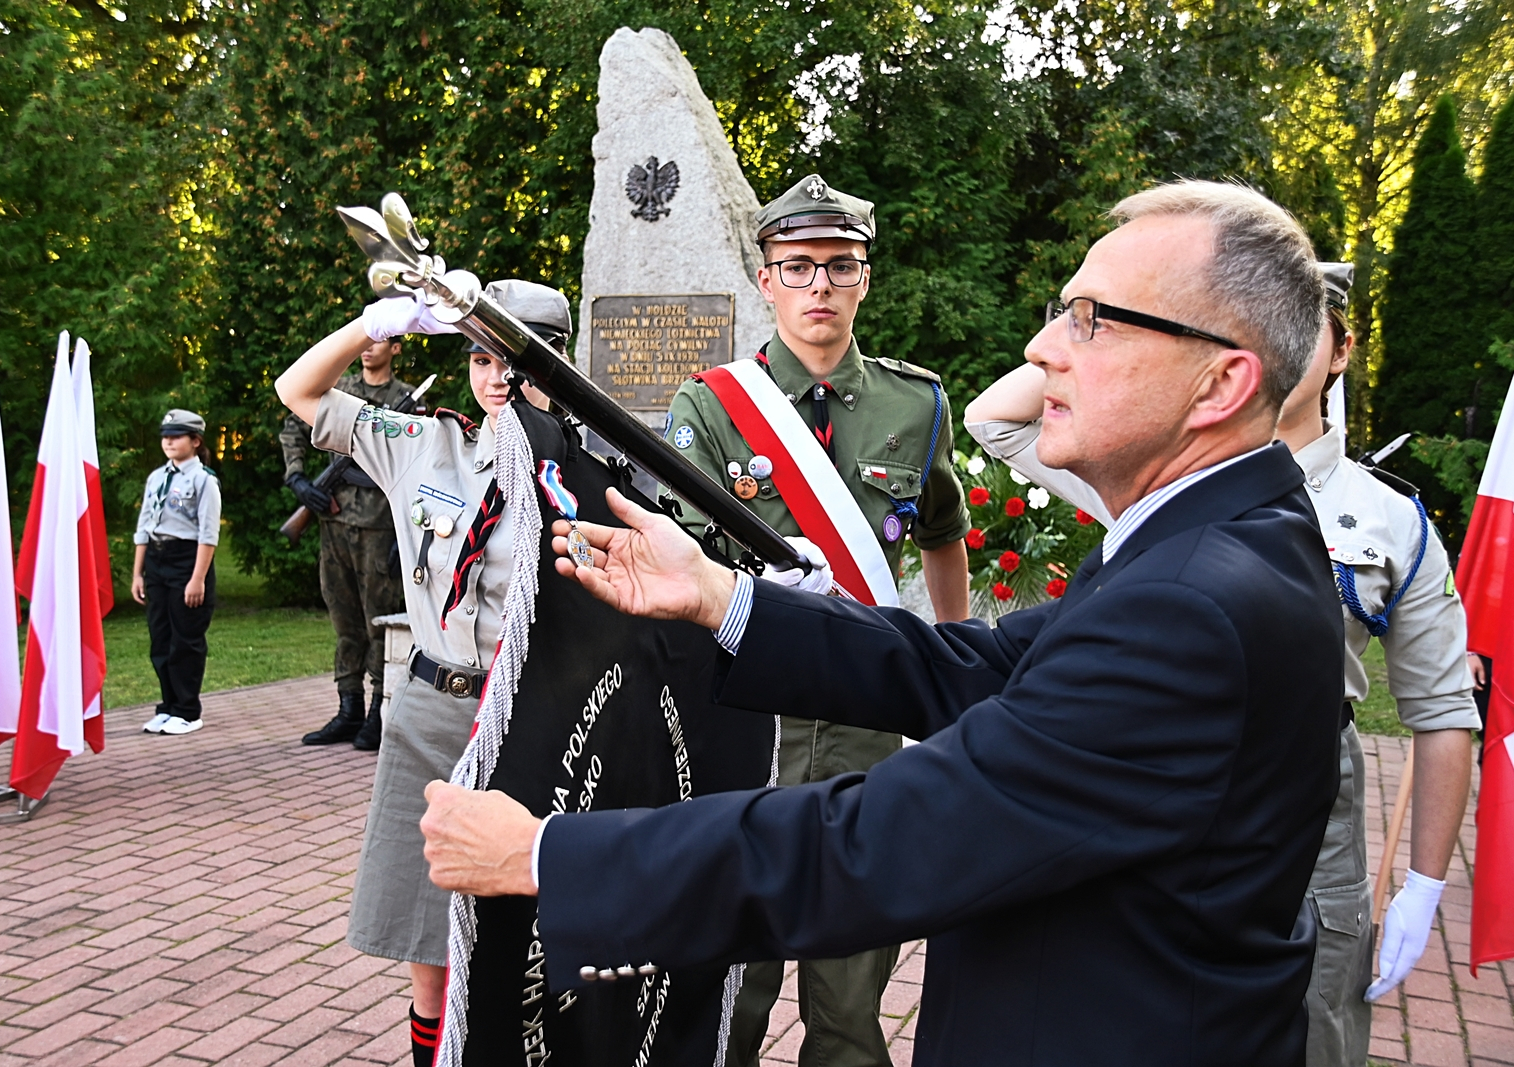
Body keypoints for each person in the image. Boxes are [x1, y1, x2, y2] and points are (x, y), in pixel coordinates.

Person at [419, 180, 1347, 1065]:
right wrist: (722, 596)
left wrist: (547, 852)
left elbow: (884, 841)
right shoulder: (1205, 540)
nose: (1044, 348)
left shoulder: (1192, 602)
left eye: (1091, 319)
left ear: (1219, 384)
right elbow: (972, 668)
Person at [961, 263, 1481, 1066]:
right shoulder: (1163, 472)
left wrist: (1426, 881)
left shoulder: (1389, 517)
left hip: (1306, 773)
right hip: (1145, 752)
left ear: (1339, 351)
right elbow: (994, 419)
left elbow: (1441, 709)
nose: (1277, 338)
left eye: (1301, 324)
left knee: (1315, 1016)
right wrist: (1102, 328)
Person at [661, 172, 971, 1067]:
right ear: (766, 280)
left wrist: (948, 669)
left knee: (849, 994)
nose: (820, 287)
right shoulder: (712, 405)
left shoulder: (915, 406)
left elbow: (944, 532)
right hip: (751, 715)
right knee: (736, 982)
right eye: (798, 268)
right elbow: (685, 557)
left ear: (865, 277)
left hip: (869, 726)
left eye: (840, 266)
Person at [275, 279, 567, 1067]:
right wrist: (374, 323)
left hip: (532, 720)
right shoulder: (421, 444)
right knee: (427, 942)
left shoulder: (584, 476)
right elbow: (297, 390)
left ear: (557, 367)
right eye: (479, 355)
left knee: (532, 944)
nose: (496, 376)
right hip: (432, 713)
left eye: (517, 360)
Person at [283, 333, 414, 750]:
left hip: (379, 527)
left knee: (378, 621)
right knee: (344, 622)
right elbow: (292, 427)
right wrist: (298, 479)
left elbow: (415, 466)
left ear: (395, 349)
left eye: (381, 342)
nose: (368, 348)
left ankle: (378, 711)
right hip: (334, 523)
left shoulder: (408, 399)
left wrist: (405, 534)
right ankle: (348, 708)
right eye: (366, 340)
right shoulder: (336, 393)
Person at [133, 409, 221, 736]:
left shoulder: (204, 480)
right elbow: (144, 525)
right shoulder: (156, 477)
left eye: (177, 435)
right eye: (165, 435)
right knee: (161, 639)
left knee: (185, 639)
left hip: (187, 560)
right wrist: (138, 573)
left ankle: (187, 710)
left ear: (195, 441)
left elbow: (208, 534)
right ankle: (167, 707)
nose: (168, 441)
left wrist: (197, 578)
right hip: (157, 559)